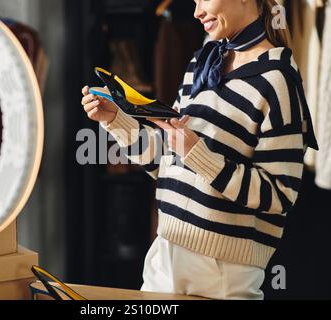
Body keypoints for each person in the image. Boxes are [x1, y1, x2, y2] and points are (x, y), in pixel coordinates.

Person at [81, 0, 318, 300]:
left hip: (223, 274)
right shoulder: (202, 64)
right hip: (165, 254)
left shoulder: (278, 80)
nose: (196, 12)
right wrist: (116, 120)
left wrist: (200, 156)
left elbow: (281, 194)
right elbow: (166, 163)